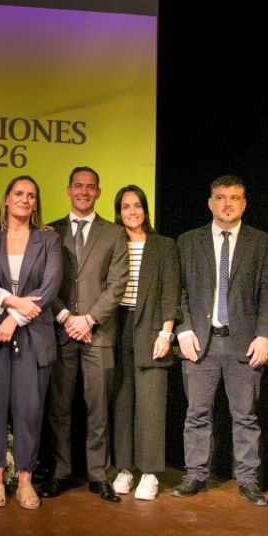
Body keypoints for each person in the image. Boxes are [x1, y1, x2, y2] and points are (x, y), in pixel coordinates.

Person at [172, 175, 268, 506]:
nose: (227, 203)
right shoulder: (189, 241)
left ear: (244, 203)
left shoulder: (261, 242)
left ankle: (247, 479)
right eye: (220, 197)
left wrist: (266, 336)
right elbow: (179, 290)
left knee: (246, 415)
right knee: (197, 413)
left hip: (243, 342)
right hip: (201, 343)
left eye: (234, 198)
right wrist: (184, 329)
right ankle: (195, 474)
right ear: (210, 202)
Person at [41, 166, 129, 503]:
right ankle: (60, 472)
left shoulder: (114, 233)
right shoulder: (49, 231)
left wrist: (88, 318)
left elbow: (117, 284)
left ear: (99, 193)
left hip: (99, 333)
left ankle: (97, 475)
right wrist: (65, 316)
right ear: (68, 190)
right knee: (59, 408)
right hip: (60, 330)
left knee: (98, 408)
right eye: (78, 186)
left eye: (90, 187)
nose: (84, 191)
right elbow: (45, 281)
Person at [0, 176, 61, 510]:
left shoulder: (48, 240)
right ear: (7, 199)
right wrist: (9, 306)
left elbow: (50, 287)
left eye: (31, 195)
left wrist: (15, 319)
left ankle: (25, 481)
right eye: (19, 194)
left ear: (36, 203)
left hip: (33, 336)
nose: (25, 199)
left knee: (29, 412)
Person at [109, 185, 180, 501]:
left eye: (137, 205)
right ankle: (124, 469)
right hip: (117, 327)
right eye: (126, 206)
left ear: (145, 209)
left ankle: (150, 473)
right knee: (122, 402)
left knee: (151, 404)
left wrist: (166, 333)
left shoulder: (164, 245)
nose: (132, 212)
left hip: (151, 326)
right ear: (119, 211)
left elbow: (171, 292)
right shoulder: (112, 243)